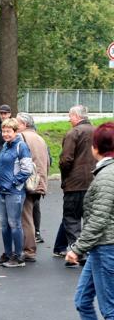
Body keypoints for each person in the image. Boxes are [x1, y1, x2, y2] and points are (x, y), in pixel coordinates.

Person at [61, 122, 114, 320]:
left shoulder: (107, 176)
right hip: (100, 247)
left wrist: (77, 248)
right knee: (82, 299)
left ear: (97, 147)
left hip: (106, 247)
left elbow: (99, 219)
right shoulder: (105, 172)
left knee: (110, 307)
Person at [0, 118, 33, 268]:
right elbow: (1, 167)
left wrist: (14, 183)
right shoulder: (5, 146)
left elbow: (27, 170)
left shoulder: (21, 147)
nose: (5, 134)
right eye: (4, 131)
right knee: (4, 225)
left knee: (14, 224)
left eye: (9, 131)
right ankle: (8, 253)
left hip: (14, 192)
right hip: (2, 191)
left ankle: (19, 255)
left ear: (15, 132)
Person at [59, 105, 96, 268]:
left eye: (70, 116)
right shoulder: (97, 131)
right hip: (95, 180)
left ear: (76, 116)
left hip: (75, 183)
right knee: (90, 218)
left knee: (72, 218)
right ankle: (91, 251)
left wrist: (65, 176)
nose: (68, 119)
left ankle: (78, 253)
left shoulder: (74, 133)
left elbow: (66, 159)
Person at [16, 113, 49, 262]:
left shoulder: (21, 137)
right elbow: (48, 160)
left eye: (17, 123)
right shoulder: (39, 138)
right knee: (30, 214)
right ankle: (30, 245)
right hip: (38, 182)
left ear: (23, 124)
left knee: (25, 217)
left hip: (27, 183)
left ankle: (28, 250)